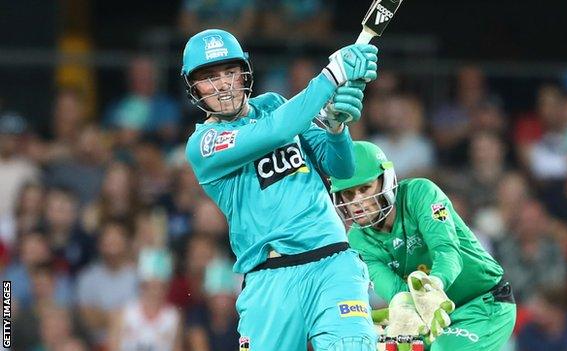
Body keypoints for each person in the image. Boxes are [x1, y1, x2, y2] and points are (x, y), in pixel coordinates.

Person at [182, 28, 379, 350]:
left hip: (332, 262)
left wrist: (336, 126)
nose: (221, 85)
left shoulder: (275, 104)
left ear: (244, 74)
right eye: (209, 77)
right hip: (269, 278)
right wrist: (332, 76)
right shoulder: (203, 145)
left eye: (229, 72)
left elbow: (342, 168)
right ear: (194, 88)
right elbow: (276, 131)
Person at [329, 141, 516, 350]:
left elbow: (447, 251)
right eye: (349, 193)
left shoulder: (421, 193)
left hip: (483, 304)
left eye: (365, 188)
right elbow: (397, 293)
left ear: (385, 180)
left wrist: (432, 287)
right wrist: (403, 310)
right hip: (431, 318)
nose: (358, 201)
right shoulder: (357, 240)